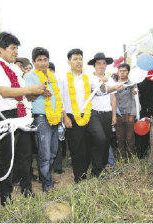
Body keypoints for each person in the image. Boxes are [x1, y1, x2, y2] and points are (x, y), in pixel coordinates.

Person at [0, 32, 47, 206]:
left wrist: (37, 92)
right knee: (7, 157)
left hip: (22, 114)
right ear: (1, 49)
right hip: (6, 116)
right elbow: (4, 91)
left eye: (17, 48)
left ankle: (27, 188)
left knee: (25, 155)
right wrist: (30, 89)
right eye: (12, 48)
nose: (16, 52)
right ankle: (5, 195)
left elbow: (24, 95)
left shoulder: (16, 69)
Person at [61, 49, 108, 182]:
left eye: (80, 58)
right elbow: (60, 99)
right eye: (75, 59)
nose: (78, 61)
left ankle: (97, 170)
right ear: (69, 62)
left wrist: (103, 83)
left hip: (89, 113)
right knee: (78, 148)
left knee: (101, 138)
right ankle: (79, 177)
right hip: (71, 115)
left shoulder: (89, 77)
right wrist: (64, 117)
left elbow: (100, 92)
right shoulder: (63, 78)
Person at [24, 47, 62, 192]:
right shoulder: (30, 76)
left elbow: (57, 98)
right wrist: (40, 92)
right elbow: (27, 97)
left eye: (45, 59)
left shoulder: (52, 77)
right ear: (33, 62)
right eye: (39, 60)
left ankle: (45, 175)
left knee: (53, 152)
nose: (43, 63)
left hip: (54, 118)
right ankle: (46, 183)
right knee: (44, 153)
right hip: (41, 119)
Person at [87, 52, 118, 175]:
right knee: (99, 139)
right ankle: (96, 169)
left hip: (107, 113)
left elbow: (113, 98)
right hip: (93, 113)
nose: (101, 65)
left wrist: (114, 115)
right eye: (98, 63)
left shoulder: (110, 79)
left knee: (106, 141)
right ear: (94, 65)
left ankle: (102, 166)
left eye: (104, 63)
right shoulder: (89, 79)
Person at [115, 63, 137, 159]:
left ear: (128, 72)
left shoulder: (132, 84)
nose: (122, 73)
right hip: (118, 114)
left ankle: (131, 158)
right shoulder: (115, 84)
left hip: (129, 114)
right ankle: (122, 159)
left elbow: (134, 100)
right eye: (120, 71)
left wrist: (133, 114)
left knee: (130, 138)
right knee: (120, 138)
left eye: (124, 71)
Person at [49, 62, 66, 174]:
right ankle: (47, 168)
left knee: (58, 140)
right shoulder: (40, 81)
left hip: (58, 115)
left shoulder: (59, 81)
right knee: (46, 142)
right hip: (44, 116)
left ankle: (58, 166)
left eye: (51, 70)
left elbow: (62, 97)